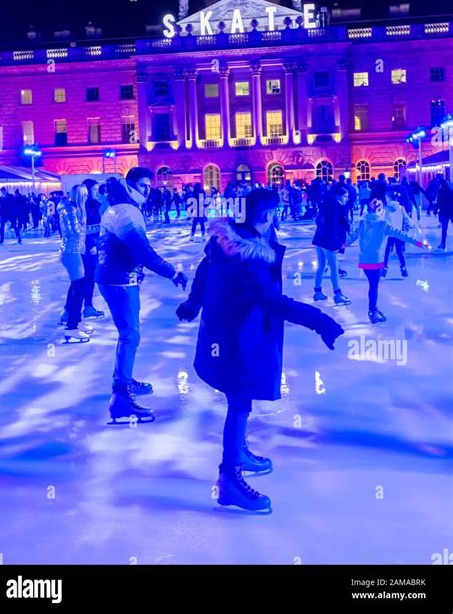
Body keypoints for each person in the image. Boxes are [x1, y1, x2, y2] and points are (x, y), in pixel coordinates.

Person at [176, 188, 344, 512]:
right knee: (239, 402)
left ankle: (238, 452)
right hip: (237, 338)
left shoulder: (226, 241)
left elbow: (203, 271)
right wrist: (319, 320)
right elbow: (269, 301)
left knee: (240, 399)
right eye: (276, 213)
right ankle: (229, 479)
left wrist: (192, 304)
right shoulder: (251, 256)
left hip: (225, 333)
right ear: (267, 216)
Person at [96, 168, 188, 423]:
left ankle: (124, 380)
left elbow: (124, 249)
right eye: (144, 185)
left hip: (115, 278)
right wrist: (172, 272)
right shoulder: (126, 212)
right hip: (119, 281)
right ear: (131, 185)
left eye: (149, 185)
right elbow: (143, 251)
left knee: (129, 334)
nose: (148, 190)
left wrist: (134, 267)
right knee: (130, 335)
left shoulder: (118, 208)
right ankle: (121, 396)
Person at [349, 196, 428, 323]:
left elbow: (350, 238)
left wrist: (341, 244)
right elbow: (401, 234)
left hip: (364, 261)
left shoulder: (362, 223)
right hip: (375, 261)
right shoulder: (383, 224)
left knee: (373, 285)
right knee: (374, 286)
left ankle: (374, 308)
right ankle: (373, 311)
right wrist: (418, 243)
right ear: (380, 210)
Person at [58, 185, 92, 342]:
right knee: (79, 287)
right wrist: (97, 228)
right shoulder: (71, 210)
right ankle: (72, 327)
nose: (87, 197)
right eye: (84, 195)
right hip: (71, 252)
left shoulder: (75, 209)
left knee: (78, 286)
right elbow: (75, 231)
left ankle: (76, 320)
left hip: (75, 251)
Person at [312, 184, 351, 305]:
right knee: (334, 266)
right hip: (329, 240)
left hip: (319, 238)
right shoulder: (336, 207)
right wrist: (336, 243)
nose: (347, 199)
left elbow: (318, 221)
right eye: (345, 196)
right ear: (338, 196)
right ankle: (337, 294)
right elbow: (335, 227)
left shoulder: (326, 205)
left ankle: (317, 292)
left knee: (322, 265)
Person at [381, 186, 419, 277]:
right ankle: (403, 268)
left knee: (387, 252)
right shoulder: (401, 208)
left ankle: (384, 269)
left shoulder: (387, 209)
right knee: (399, 252)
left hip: (390, 234)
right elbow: (407, 219)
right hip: (399, 233)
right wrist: (413, 226)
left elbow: (384, 221)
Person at [82, 179, 105, 319]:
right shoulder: (85, 207)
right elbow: (84, 229)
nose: (97, 192)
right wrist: (91, 244)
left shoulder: (94, 206)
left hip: (94, 244)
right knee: (87, 276)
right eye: (94, 190)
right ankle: (86, 306)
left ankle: (85, 306)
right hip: (88, 247)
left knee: (88, 276)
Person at [436, 178, 453, 250]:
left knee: (444, 229)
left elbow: (439, 203)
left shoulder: (441, 192)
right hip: (451, 211)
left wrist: (435, 210)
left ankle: (443, 243)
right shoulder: (451, 192)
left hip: (444, 212)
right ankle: (442, 244)